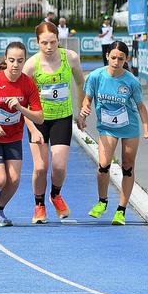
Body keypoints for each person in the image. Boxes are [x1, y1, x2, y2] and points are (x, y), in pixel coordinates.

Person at [80, 41, 148, 225]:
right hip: (106, 127)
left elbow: (140, 106)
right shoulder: (96, 76)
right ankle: (102, 201)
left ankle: (121, 210)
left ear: (126, 59)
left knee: (127, 166)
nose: (116, 62)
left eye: (120, 59)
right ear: (107, 56)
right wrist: (84, 111)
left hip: (129, 127)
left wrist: (147, 129)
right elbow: (87, 99)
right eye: (113, 57)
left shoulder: (131, 81)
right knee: (103, 165)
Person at [0, 41, 44, 227]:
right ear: (5, 59)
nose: (15, 64)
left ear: (24, 61)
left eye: (20, 61)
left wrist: (21, 108)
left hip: (13, 136)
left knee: (13, 179)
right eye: (11, 60)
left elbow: (39, 118)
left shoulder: (28, 84)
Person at [23, 21, 87, 223]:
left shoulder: (71, 58)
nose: (49, 47)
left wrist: (80, 112)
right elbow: (22, 102)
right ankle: (39, 205)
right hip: (38, 119)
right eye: (44, 43)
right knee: (41, 167)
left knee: (58, 166)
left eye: (53, 42)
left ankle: (55, 195)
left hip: (62, 117)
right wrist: (32, 128)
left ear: (59, 40)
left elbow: (79, 82)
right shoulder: (31, 66)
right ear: (37, 43)